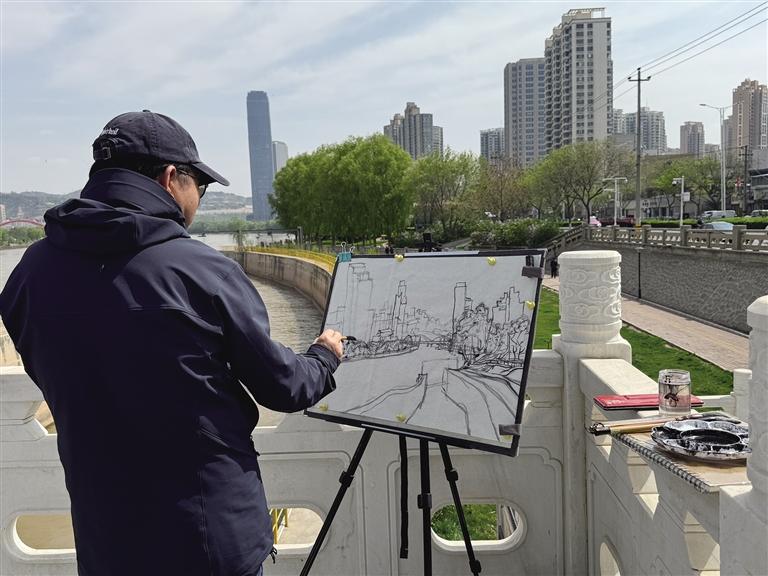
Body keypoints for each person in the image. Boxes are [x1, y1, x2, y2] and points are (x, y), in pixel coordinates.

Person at [0, 111, 344, 576]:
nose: (198, 199)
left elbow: (55, 376)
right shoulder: (202, 271)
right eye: (199, 186)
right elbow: (283, 386)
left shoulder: (28, 274)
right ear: (169, 178)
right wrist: (323, 356)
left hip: (107, 542)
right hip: (210, 540)